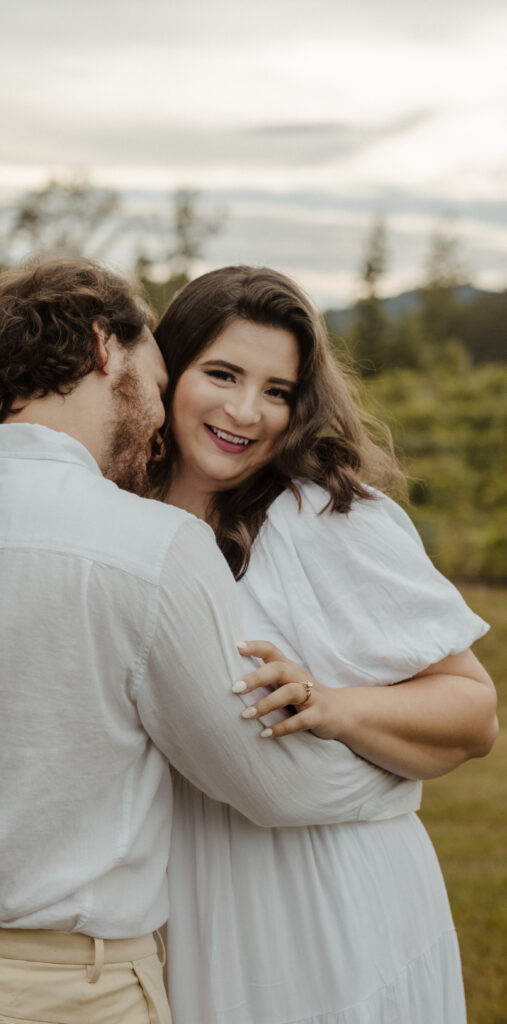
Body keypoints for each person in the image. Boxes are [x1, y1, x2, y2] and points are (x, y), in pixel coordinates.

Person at [0, 258, 423, 1024]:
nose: (158, 414)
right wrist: (397, 782)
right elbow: (270, 784)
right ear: (108, 348)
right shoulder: (149, 545)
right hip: (70, 992)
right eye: (161, 370)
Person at [151, 265, 497, 1024]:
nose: (247, 411)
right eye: (222, 373)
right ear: (166, 371)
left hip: (322, 901)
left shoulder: (325, 516)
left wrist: (331, 704)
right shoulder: (119, 511)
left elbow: (473, 713)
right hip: (179, 896)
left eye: (277, 391)